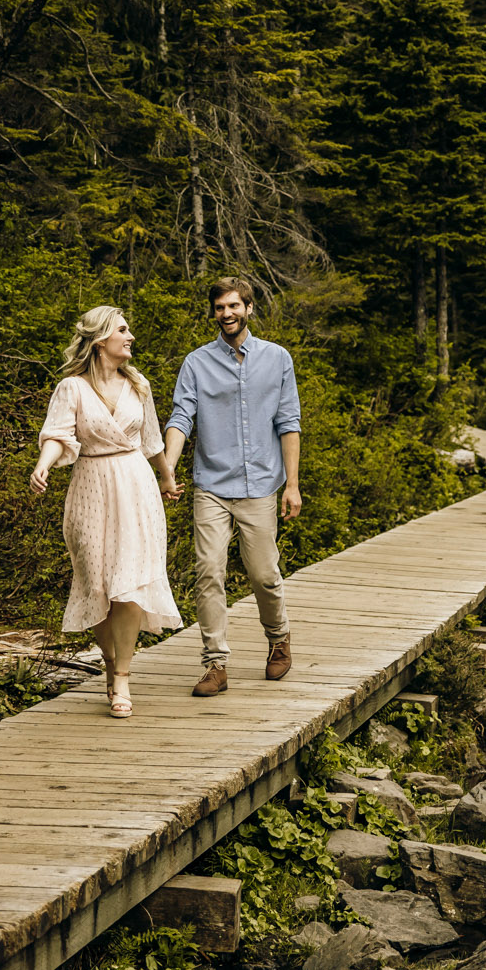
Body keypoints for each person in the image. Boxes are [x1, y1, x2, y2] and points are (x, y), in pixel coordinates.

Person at [30, 305, 183, 718]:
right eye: (123, 330)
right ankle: (111, 663)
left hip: (136, 486)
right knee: (97, 582)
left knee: (129, 580)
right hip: (91, 487)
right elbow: (58, 434)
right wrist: (43, 465)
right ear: (100, 341)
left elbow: (151, 440)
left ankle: (123, 679)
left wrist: (167, 479)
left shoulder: (139, 385)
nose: (130, 336)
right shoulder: (71, 389)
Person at [162, 277, 302, 696]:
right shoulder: (197, 363)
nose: (227, 314)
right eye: (220, 308)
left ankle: (279, 639)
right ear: (214, 313)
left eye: (234, 306)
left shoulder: (277, 359)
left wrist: (292, 485)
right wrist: (168, 467)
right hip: (211, 485)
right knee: (209, 572)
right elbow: (180, 417)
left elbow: (288, 423)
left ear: (249, 308)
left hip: (260, 484)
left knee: (264, 575)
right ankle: (215, 664)